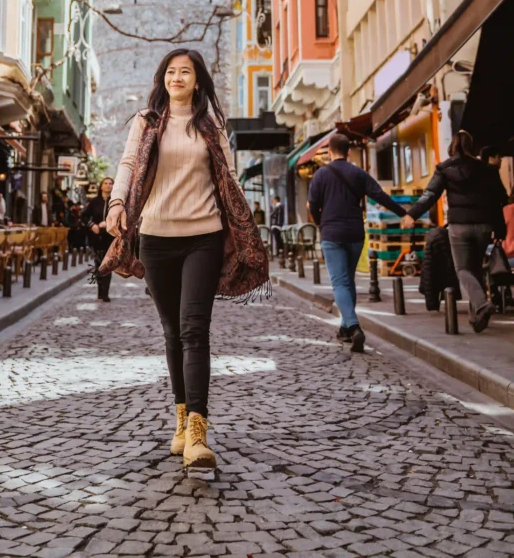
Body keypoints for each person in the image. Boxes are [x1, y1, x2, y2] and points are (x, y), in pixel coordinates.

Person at [105, 48, 268, 474]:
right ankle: (180, 417)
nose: (177, 77)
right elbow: (127, 164)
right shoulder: (146, 122)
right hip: (156, 239)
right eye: (171, 71)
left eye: (185, 72)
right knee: (173, 332)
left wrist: (244, 226)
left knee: (195, 329)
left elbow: (228, 178)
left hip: (204, 237)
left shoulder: (211, 126)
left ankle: (197, 431)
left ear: (197, 82)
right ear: (163, 79)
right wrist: (116, 203)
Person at [307, 133, 407, 352]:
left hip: (332, 234)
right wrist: (404, 213)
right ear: (349, 152)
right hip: (355, 233)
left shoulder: (321, 175)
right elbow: (380, 196)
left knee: (339, 283)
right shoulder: (358, 173)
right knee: (348, 280)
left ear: (329, 152)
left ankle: (353, 327)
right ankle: (344, 328)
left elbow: (312, 204)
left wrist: (320, 223)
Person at [406, 131, 507, 333]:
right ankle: (477, 318)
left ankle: (481, 304)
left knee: (462, 270)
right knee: (475, 269)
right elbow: (500, 199)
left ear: (452, 146)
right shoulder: (487, 169)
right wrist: (499, 229)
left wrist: (412, 214)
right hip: (483, 226)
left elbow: (430, 195)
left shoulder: (444, 169)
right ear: (472, 146)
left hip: (459, 227)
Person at [82, 178, 115, 302]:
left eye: (110, 183)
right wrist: (92, 225)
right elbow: (84, 216)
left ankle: (105, 293)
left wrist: (108, 223)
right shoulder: (95, 201)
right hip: (96, 238)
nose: (108, 185)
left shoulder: (115, 202)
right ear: (101, 186)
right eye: (105, 183)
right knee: (98, 264)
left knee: (108, 265)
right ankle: (100, 292)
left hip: (110, 237)